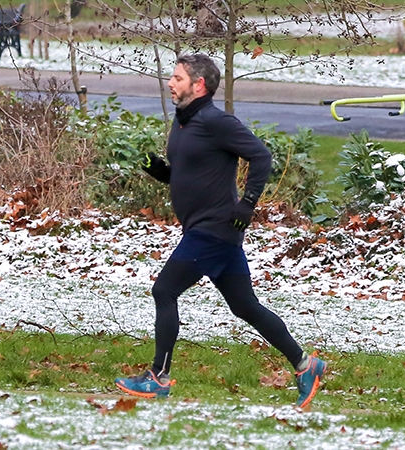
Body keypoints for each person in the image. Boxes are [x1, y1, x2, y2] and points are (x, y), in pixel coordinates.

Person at [114, 54, 326, 408]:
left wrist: (248, 203)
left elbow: (261, 156)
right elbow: (190, 172)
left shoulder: (216, 121)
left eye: (178, 78)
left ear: (198, 85)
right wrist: (160, 171)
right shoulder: (183, 123)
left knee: (164, 290)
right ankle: (306, 365)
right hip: (208, 231)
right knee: (245, 305)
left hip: (214, 230)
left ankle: (158, 377)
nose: (170, 82)